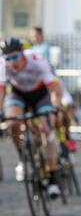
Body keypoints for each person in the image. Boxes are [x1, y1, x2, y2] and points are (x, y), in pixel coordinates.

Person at [0, 37, 62, 197]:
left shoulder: (37, 61)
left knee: (47, 129)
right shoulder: (2, 66)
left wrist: (55, 106)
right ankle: (23, 157)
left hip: (41, 93)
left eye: (14, 57)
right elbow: (0, 92)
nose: (12, 62)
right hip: (18, 94)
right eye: (8, 58)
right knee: (13, 124)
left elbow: (54, 90)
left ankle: (52, 178)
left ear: (22, 53)